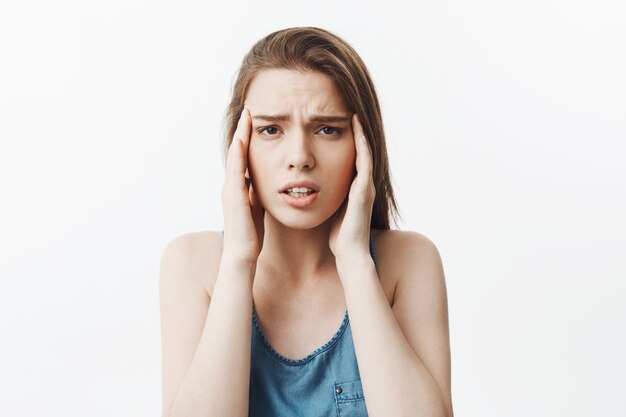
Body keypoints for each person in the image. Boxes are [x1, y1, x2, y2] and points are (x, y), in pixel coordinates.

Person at [159, 27, 453, 417]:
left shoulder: (408, 260)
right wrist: (238, 262)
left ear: (364, 147)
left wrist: (354, 260)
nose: (299, 156)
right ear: (239, 148)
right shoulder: (192, 263)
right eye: (270, 130)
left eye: (327, 129)